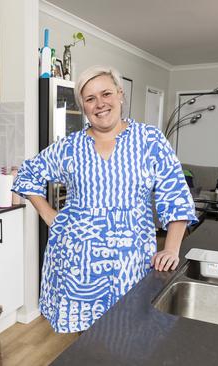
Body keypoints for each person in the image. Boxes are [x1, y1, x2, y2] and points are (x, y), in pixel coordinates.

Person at [12, 65, 198, 333]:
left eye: (106, 93)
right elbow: (28, 173)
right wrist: (49, 215)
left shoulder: (150, 140)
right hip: (77, 261)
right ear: (83, 107)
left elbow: (176, 195)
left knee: (129, 333)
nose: (100, 104)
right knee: (87, 340)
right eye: (90, 99)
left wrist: (171, 249)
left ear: (120, 95)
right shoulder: (69, 146)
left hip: (131, 262)